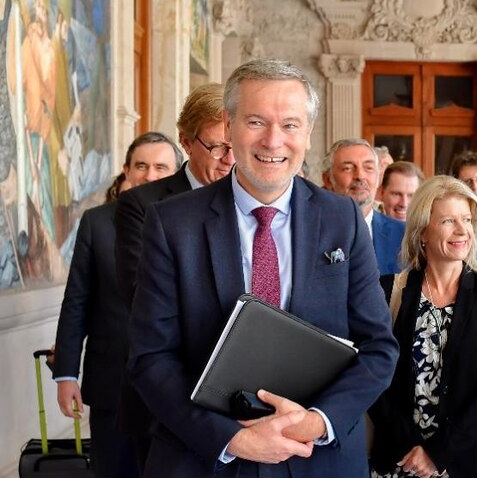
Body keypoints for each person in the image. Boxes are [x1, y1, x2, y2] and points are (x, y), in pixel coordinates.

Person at [127, 59, 399, 476]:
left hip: (317, 459)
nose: (273, 141)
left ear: (307, 134)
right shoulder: (171, 223)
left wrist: (315, 422)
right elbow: (151, 357)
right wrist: (232, 438)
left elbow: (378, 348)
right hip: (206, 457)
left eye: (290, 125)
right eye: (256, 122)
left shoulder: (342, 218)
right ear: (229, 125)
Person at [113, 83, 234, 467]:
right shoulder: (142, 205)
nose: (229, 159)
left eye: (236, 145)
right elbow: (141, 294)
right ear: (185, 141)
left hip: (246, 398)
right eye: (217, 146)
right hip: (168, 401)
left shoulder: (255, 199)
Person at [52, 132, 180, 478]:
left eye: (161, 167)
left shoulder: (191, 220)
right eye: (141, 165)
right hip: (112, 380)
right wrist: (66, 373)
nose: (150, 175)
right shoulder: (97, 222)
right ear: (126, 170)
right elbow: (77, 299)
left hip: (177, 384)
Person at [370, 176, 477, 478]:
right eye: (449, 221)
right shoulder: (388, 292)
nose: (462, 230)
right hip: (400, 460)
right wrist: (413, 450)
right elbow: (375, 377)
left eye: (466, 219)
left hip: (466, 461)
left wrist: (437, 453)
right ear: (423, 231)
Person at [322, 138, 406, 275]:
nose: (360, 176)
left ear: (379, 178)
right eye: (347, 168)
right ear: (327, 180)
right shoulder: (309, 233)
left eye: (368, 168)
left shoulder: (404, 235)